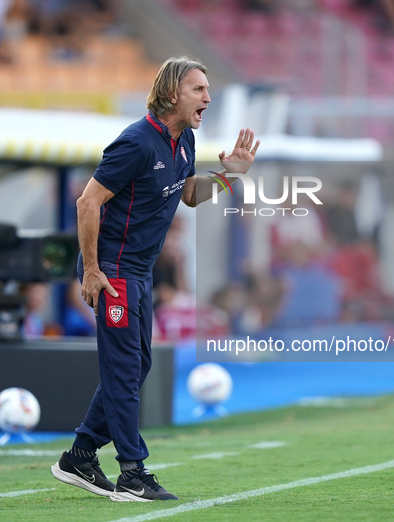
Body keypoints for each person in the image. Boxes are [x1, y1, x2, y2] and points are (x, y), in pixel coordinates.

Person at [50, 55, 260, 502]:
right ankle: (131, 473)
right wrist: (91, 270)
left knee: (137, 366)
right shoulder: (137, 142)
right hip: (114, 274)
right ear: (171, 94)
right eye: (199, 89)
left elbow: (189, 196)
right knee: (125, 371)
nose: (208, 97)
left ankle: (81, 455)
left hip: (140, 273)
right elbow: (88, 203)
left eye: (207, 89)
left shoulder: (182, 143)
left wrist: (229, 175)